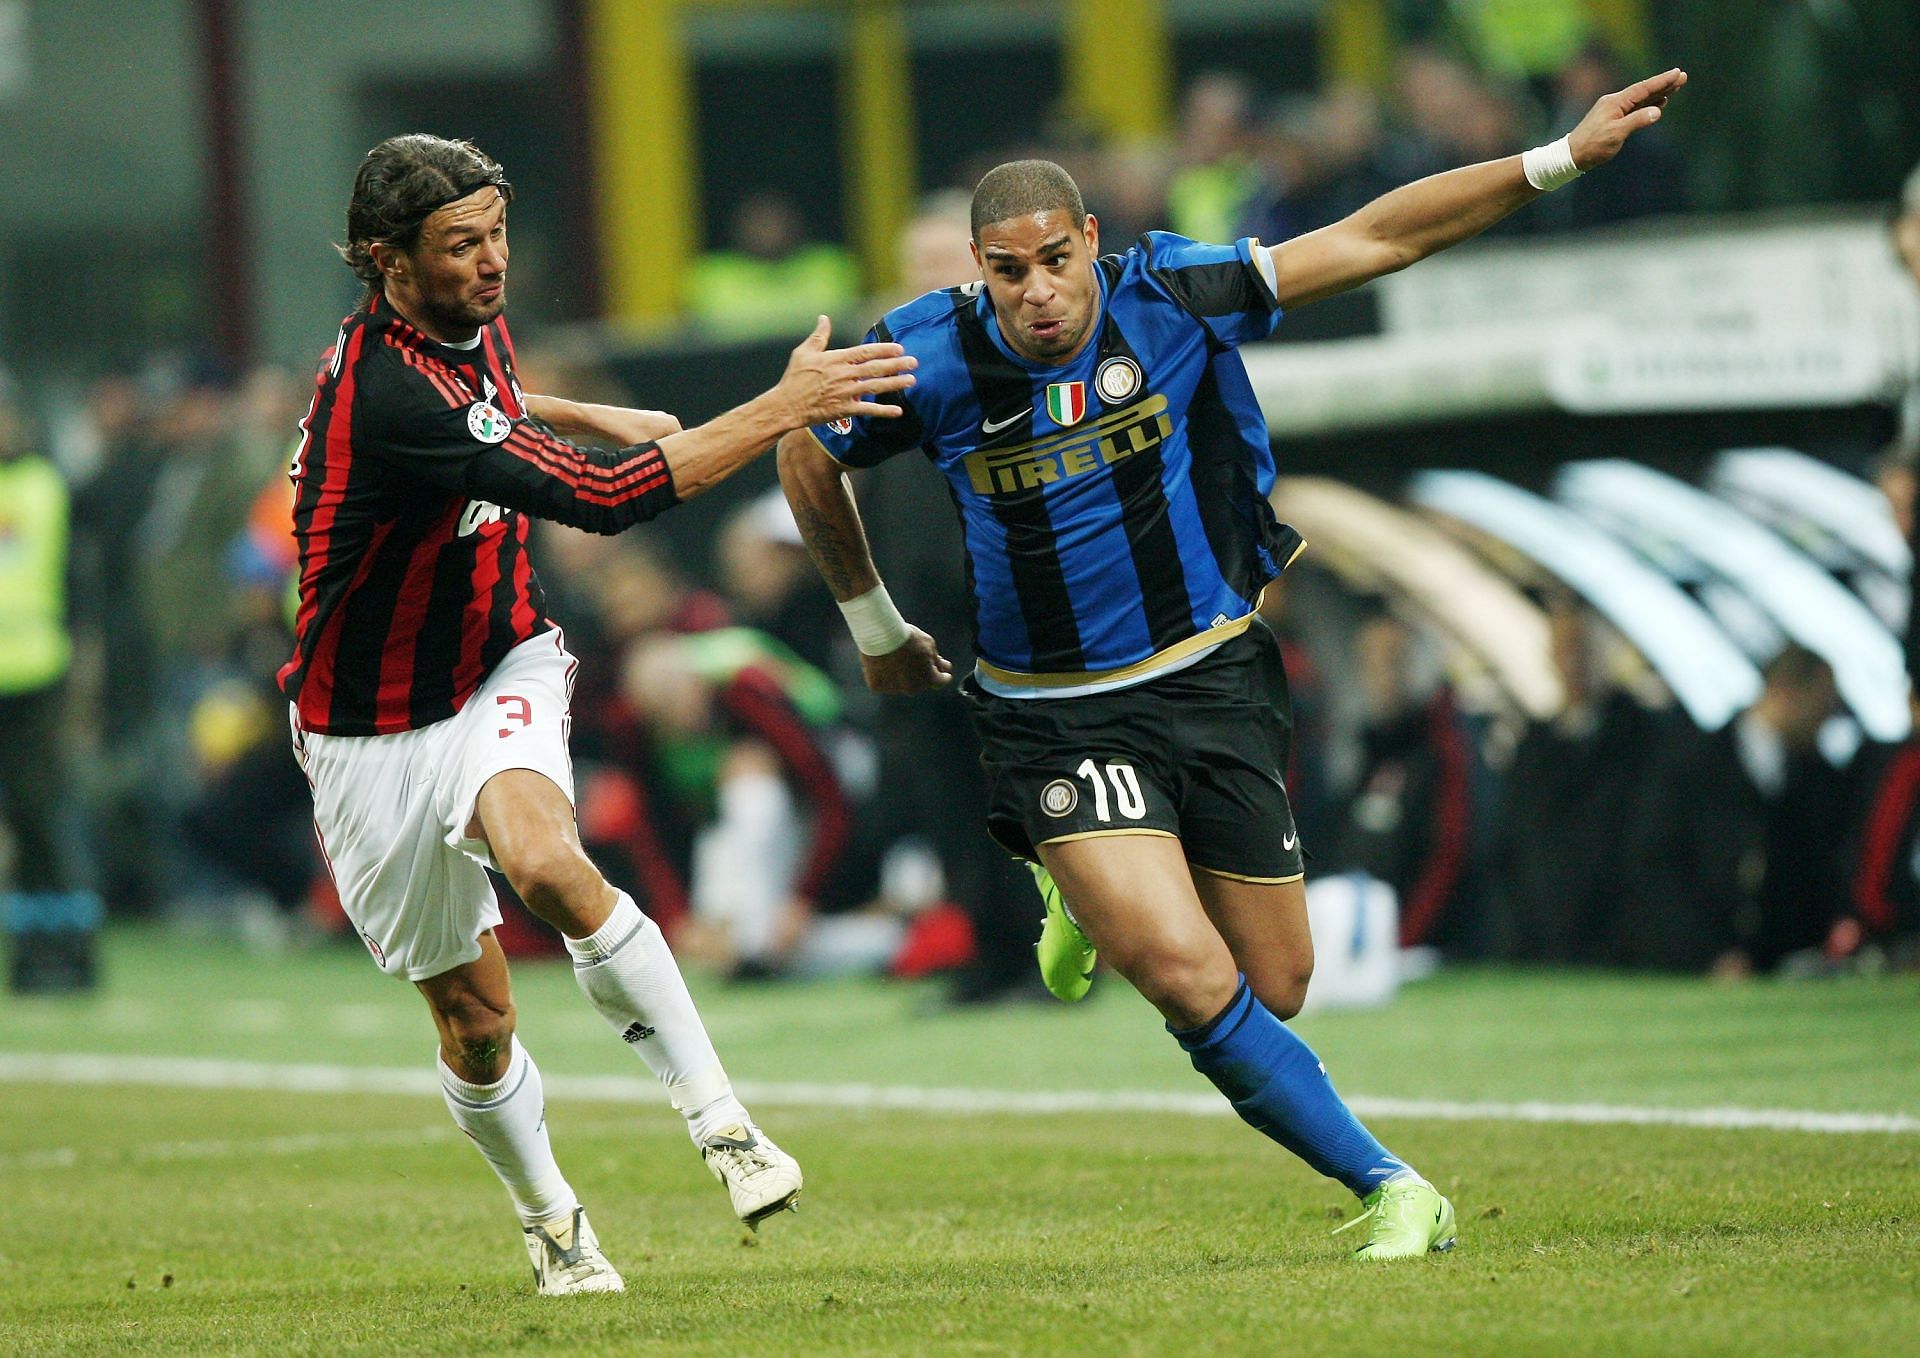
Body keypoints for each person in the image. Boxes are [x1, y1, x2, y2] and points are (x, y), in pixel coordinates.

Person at [777, 69, 1687, 1260]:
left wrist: (1554, 161)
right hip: (1051, 715)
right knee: (1182, 969)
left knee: (1278, 979)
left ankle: (1079, 878)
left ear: (1091, 240)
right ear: (974, 269)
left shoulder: (1173, 291)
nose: (1038, 291)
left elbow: (1371, 237)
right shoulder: (927, 353)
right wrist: (877, 630)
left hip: (1210, 676)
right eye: (1008, 272)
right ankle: (1391, 1183)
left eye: (1057, 259)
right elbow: (803, 445)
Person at [280, 134, 915, 1295]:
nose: (492, 262)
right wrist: (780, 407)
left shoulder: (461, 323)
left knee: (548, 860)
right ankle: (550, 1215)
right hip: (364, 732)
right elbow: (605, 501)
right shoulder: (387, 389)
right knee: (476, 1022)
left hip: (495, 665)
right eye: (461, 243)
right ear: (386, 262)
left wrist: (588, 407)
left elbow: (497, 396)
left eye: (498, 233)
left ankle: (725, 1125)